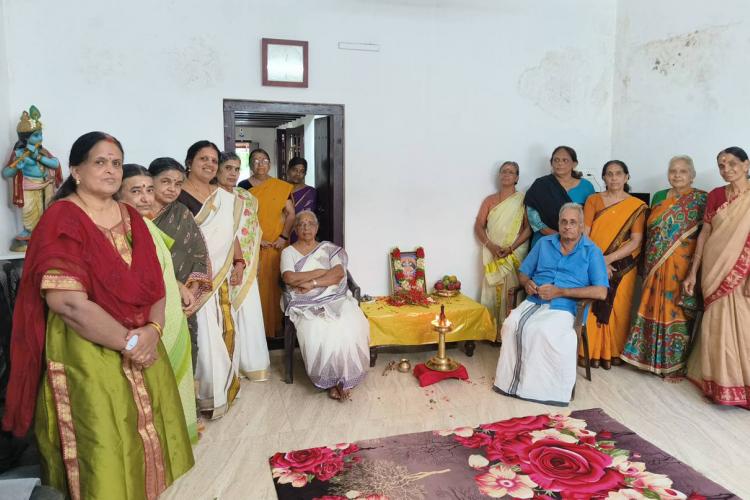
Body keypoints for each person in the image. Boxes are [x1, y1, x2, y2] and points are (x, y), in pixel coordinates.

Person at [2, 132, 193, 499]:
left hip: (141, 342)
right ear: (76, 170)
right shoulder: (62, 219)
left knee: (146, 435)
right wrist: (131, 341)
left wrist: (152, 330)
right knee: (102, 440)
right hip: (85, 349)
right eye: (100, 162)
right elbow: (68, 304)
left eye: (116, 163)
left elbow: (155, 283)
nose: (110, 170)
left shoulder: (130, 217)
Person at [180, 141, 270, 418]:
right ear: (189, 162)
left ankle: (227, 385)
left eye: (212, 160)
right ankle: (208, 393)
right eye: (202, 159)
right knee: (205, 336)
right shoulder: (179, 194)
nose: (209, 164)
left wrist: (239, 262)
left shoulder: (223, 196)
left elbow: (231, 235)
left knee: (225, 330)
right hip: (196, 277)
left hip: (222, 273)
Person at [493, 203, 608, 406]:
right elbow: (523, 272)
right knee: (511, 325)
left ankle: (542, 390)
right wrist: (526, 283)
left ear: (581, 226)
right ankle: (509, 383)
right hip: (534, 299)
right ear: (558, 223)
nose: (567, 226)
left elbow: (601, 291)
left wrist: (561, 291)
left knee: (542, 330)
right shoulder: (544, 243)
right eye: (563, 222)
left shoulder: (592, 251)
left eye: (573, 222)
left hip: (566, 306)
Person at [116, 164, 198, 442]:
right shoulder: (119, 230)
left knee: (178, 376)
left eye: (149, 190)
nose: (145, 198)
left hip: (170, 313)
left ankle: (178, 435)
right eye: (136, 191)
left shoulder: (145, 224)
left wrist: (178, 285)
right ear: (117, 194)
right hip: (152, 320)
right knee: (160, 382)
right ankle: (165, 439)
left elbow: (159, 266)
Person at [621, 156, 707, 376]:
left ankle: (674, 364)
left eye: (683, 171)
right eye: (673, 171)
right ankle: (644, 358)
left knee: (676, 309)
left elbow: (704, 236)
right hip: (655, 263)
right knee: (649, 304)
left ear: (692, 175)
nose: (677, 175)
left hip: (682, 266)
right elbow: (652, 232)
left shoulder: (701, 199)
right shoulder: (659, 196)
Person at [684, 147, 750, 409]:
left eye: (732, 163)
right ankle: (719, 384)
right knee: (715, 325)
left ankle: (741, 383)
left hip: (743, 269)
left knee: (743, 326)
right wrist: (693, 270)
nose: (726, 169)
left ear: (746, 165)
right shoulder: (716, 195)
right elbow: (705, 233)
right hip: (714, 267)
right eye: (721, 165)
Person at [281, 211, 370, 401]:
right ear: (295, 229)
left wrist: (312, 283)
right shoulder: (288, 252)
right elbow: (289, 277)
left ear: (317, 227)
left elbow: (338, 274)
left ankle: (343, 379)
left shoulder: (328, 249)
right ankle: (331, 381)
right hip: (304, 302)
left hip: (333, 296)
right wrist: (321, 272)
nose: (306, 228)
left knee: (349, 323)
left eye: (310, 224)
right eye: (301, 224)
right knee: (317, 328)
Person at [149, 157, 211, 373]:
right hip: (147, 298)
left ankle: (184, 405)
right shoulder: (132, 213)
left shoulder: (182, 213)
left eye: (178, 184)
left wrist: (193, 291)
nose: (172, 189)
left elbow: (199, 253)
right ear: (151, 181)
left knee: (182, 355)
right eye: (165, 181)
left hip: (181, 300)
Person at [583, 160, 646, 369]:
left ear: (627, 177)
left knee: (619, 305)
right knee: (592, 303)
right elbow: (585, 234)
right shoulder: (593, 200)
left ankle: (613, 352)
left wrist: (607, 260)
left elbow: (636, 241)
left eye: (618, 174)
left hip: (623, 265)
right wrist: (598, 261)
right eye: (609, 174)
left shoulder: (636, 206)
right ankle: (589, 351)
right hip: (592, 259)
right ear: (603, 178)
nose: (614, 178)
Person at [216, 151, 269, 381]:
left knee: (250, 314)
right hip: (219, 268)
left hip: (245, 267)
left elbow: (253, 230)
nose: (233, 173)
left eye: (237, 169)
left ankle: (252, 364)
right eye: (228, 168)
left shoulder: (246, 197)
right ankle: (229, 369)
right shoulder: (211, 197)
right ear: (217, 170)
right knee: (224, 317)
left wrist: (245, 263)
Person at [238, 148, 295, 338]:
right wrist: (255, 238)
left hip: (277, 244)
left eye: (264, 160)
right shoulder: (243, 186)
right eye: (255, 160)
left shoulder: (281, 186)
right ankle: (256, 330)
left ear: (270, 164)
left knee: (276, 284)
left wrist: (283, 237)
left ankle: (275, 328)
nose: (260, 164)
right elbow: (240, 217)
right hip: (252, 244)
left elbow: (291, 213)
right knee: (255, 285)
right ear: (250, 164)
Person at [474, 161, 531, 338]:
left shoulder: (523, 201)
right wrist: (491, 246)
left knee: (512, 291)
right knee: (492, 290)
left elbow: (528, 228)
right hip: (493, 252)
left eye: (511, 172)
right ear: (499, 175)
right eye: (503, 171)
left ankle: (510, 334)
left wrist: (511, 248)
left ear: (517, 178)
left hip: (514, 253)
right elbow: (479, 225)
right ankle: (491, 333)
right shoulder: (490, 200)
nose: (506, 174)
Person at [524, 146, 596, 248]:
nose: (560, 163)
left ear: (574, 164)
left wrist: (572, 237)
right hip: (545, 239)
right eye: (556, 160)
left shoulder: (586, 187)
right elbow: (532, 213)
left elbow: (590, 216)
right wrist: (552, 233)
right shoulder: (541, 184)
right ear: (551, 163)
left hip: (575, 241)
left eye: (565, 160)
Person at [286, 157, 317, 243]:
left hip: (302, 235)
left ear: (305, 174)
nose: (298, 173)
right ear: (288, 171)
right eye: (294, 170)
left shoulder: (310, 192)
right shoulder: (281, 190)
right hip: (280, 236)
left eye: (302, 171)